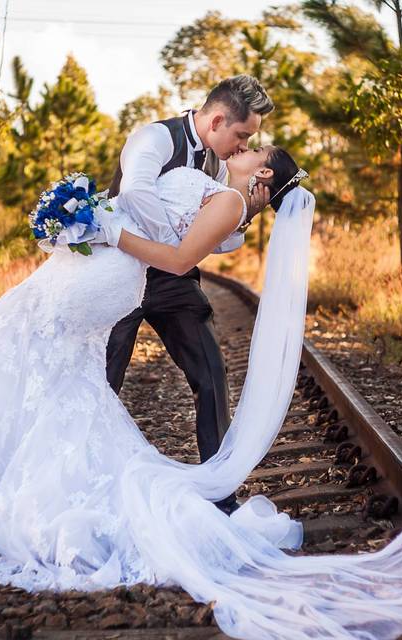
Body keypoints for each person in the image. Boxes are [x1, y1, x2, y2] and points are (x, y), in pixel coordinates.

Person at [0, 128, 402, 640]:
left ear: (261, 180)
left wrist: (106, 231)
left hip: (124, 268)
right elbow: (148, 197)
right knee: (63, 379)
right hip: (107, 267)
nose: (247, 147)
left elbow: (180, 260)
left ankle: (21, 480)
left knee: (56, 369)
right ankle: (20, 475)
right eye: (249, 140)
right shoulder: (212, 181)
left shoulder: (231, 204)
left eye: (255, 151)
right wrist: (90, 218)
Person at [104, 76, 274, 515]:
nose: (242, 146)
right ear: (217, 119)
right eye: (241, 135)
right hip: (120, 269)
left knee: (211, 372)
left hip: (171, 282)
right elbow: (134, 191)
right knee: (106, 376)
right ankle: (95, 481)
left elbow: (215, 240)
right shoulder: (155, 137)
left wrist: (243, 215)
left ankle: (221, 491)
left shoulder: (218, 167)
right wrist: (174, 249)